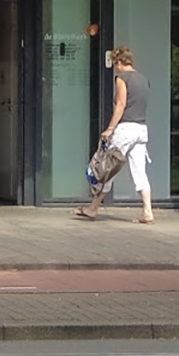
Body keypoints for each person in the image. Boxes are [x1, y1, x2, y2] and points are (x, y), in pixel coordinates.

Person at [76, 46, 155, 223]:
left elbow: (121, 104)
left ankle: (92, 208)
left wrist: (110, 129)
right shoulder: (143, 79)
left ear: (119, 61)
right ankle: (147, 211)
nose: (114, 67)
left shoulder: (122, 78)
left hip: (125, 128)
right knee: (139, 171)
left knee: (107, 168)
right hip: (141, 129)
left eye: (114, 63)